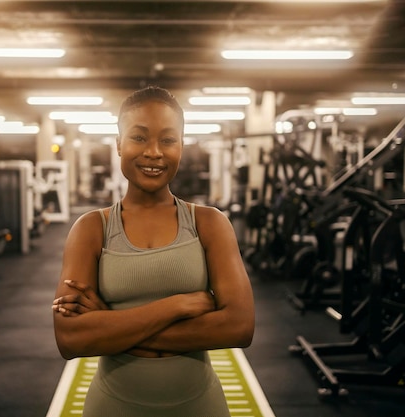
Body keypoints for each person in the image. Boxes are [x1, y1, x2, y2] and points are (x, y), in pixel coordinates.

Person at [52, 85, 255, 417]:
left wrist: (110, 327)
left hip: (199, 405)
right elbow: (71, 339)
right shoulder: (90, 229)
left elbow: (239, 327)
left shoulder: (209, 223)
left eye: (168, 140)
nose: (154, 152)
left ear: (182, 147)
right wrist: (180, 304)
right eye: (139, 137)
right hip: (113, 406)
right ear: (118, 144)